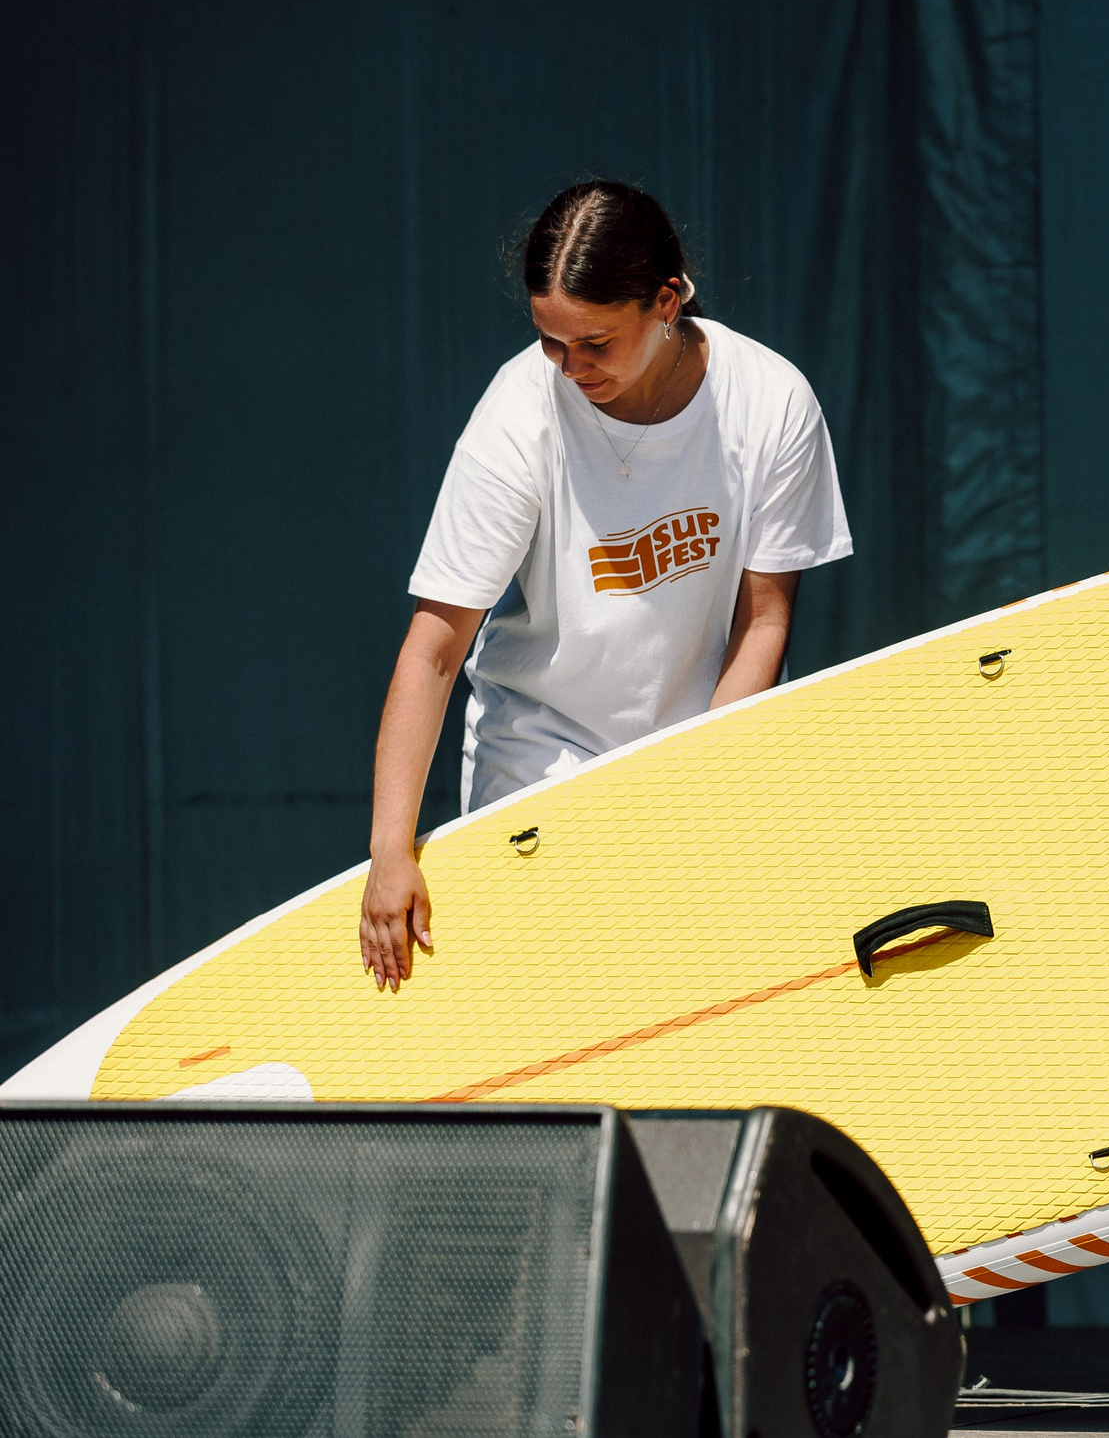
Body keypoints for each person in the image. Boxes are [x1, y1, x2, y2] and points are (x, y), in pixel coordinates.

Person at [358, 180, 852, 988]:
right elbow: (435, 647)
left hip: (697, 750)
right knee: (554, 1007)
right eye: (551, 342)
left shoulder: (772, 403)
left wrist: (696, 783)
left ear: (666, 300)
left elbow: (762, 625)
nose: (569, 366)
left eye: (594, 342)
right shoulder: (519, 415)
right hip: (540, 757)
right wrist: (390, 852)